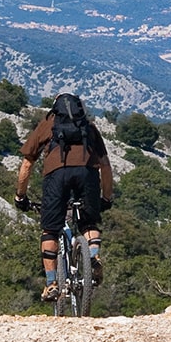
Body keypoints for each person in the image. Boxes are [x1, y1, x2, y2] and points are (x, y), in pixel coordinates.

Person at [15, 92, 115, 302]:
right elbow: (105, 167)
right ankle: (93, 256)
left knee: (50, 230)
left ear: (55, 107)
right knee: (89, 223)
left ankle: (51, 283)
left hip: (56, 176)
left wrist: (20, 196)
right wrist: (106, 197)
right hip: (87, 174)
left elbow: (26, 164)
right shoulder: (88, 127)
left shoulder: (48, 124)